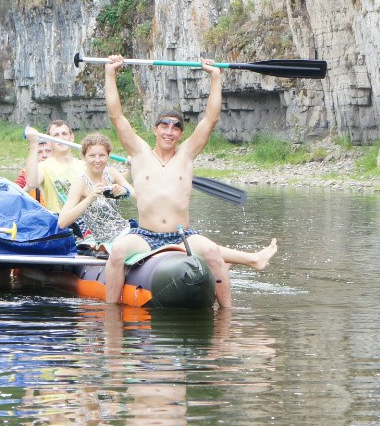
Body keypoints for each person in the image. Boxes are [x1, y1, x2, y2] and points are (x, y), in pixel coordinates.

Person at [101, 56, 274, 307]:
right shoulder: (139, 152)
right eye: (164, 126)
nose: (169, 132)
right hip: (146, 235)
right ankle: (111, 313)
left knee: (214, 253)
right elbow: (116, 116)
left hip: (182, 234)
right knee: (117, 253)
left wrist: (215, 77)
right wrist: (110, 74)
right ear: (155, 129)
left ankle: (226, 314)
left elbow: (210, 119)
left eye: (175, 128)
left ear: (181, 134)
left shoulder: (187, 154)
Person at [57, 133, 134, 251]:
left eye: (102, 155)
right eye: (92, 155)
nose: (97, 160)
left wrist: (124, 191)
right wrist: (89, 198)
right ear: (84, 156)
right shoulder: (80, 183)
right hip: (105, 242)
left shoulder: (112, 173)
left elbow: (137, 197)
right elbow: (62, 222)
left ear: (108, 156)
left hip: (126, 231)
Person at [23, 120, 84, 213]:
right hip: (61, 223)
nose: (61, 138)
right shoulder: (43, 167)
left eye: (64, 134)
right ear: (49, 141)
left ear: (72, 137)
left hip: (86, 223)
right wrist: (33, 143)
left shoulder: (85, 165)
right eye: (56, 135)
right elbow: (31, 184)